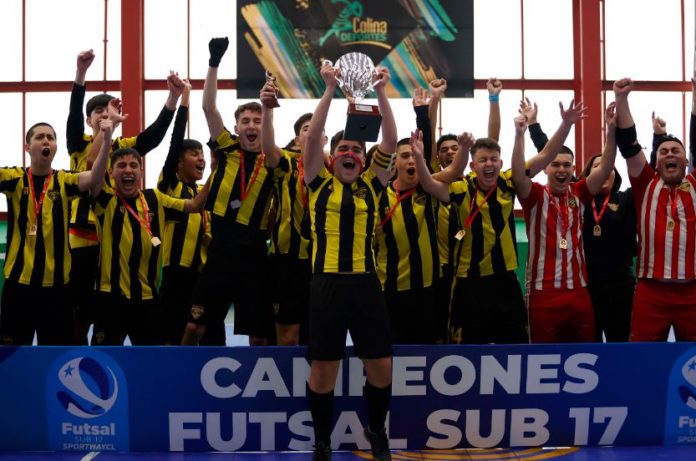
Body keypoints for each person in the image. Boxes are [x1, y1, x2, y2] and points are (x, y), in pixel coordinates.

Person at [303, 60, 396, 461]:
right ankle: (321, 440)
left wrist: (380, 92)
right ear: (332, 156)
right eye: (342, 149)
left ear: (364, 158)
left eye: (357, 149)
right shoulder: (317, 181)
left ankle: (377, 431)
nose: (350, 153)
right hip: (326, 285)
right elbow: (312, 141)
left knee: (381, 368)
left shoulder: (373, 187)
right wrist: (328, 89)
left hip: (365, 285)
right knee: (324, 371)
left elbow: (390, 141)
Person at [67, 49, 182, 344]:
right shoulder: (77, 143)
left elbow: (154, 136)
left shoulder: (124, 147)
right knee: (80, 312)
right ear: (89, 119)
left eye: (110, 113)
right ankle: (80, 356)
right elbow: (75, 122)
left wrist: (172, 99)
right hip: (84, 238)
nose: (105, 117)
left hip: (119, 233)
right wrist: (81, 73)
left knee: (119, 297)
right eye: (99, 114)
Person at [181, 37, 275, 346]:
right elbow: (208, 106)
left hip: (255, 257)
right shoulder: (228, 146)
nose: (251, 125)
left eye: (257, 121)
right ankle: (179, 383)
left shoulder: (276, 161)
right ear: (236, 128)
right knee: (194, 329)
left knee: (259, 337)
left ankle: (259, 392)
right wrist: (214, 61)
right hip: (220, 253)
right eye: (245, 121)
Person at [520, 97, 636, 342]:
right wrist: (564, 125)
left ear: (574, 170)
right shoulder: (534, 195)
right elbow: (524, 169)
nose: (561, 170)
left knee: (586, 356)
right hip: (542, 294)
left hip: (580, 293)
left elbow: (605, 166)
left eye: (567, 166)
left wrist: (611, 129)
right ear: (545, 168)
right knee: (544, 359)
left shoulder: (580, 192)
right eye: (555, 165)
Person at [90, 139, 210, 345]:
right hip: (110, 298)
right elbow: (91, 164)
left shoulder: (155, 199)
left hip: (147, 299)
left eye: (133, 165)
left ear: (141, 172)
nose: (128, 170)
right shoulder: (105, 199)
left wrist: (216, 171)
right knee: (103, 361)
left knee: (153, 364)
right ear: (110, 173)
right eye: (121, 165)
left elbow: (195, 205)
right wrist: (106, 133)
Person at [0, 120, 110, 345]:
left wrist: (107, 139)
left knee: (56, 357)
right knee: (11, 358)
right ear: (28, 147)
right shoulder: (14, 178)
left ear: (55, 147)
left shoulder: (64, 180)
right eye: (39, 137)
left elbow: (94, 177)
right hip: (18, 287)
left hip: (58, 289)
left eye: (50, 137)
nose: (46, 141)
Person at [374, 87, 468, 344]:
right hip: (389, 291)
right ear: (395, 163)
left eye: (414, 156)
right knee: (391, 352)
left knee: (429, 352)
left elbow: (452, 170)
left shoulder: (427, 188)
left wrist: (464, 148)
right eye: (405, 156)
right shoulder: (378, 195)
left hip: (428, 290)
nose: (411, 160)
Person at [612, 78, 696, 341]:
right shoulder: (645, 183)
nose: (670, 154)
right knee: (641, 358)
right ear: (656, 162)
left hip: (692, 292)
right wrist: (621, 99)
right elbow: (629, 144)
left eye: (676, 151)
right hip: (651, 292)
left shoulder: (695, 184)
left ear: (685, 160)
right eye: (664, 151)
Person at [156, 80, 218, 345]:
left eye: (202, 154)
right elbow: (174, 142)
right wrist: (184, 100)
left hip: (203, 275)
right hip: (175, 274)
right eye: (194, 154)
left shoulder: (203, 190)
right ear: (180, 161)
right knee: (173, 337)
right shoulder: (170, 184)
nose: (201, 159)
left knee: (207, 338)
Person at [260, 94, 325, 345]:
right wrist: (268, 109)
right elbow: (268, 146)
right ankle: (285, 383)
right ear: (298, 139)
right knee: (287, 334)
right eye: (307, 130)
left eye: (317, 129)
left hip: (321, 262)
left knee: (315, 332)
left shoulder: (334, 168)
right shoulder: (286, 163)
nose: (312, 134)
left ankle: (314, 384)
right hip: (286, 260)